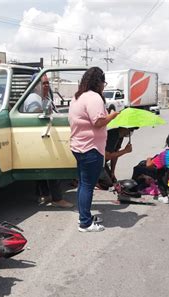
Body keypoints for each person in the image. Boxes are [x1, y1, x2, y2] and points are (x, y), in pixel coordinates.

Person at [69, 67, 118, 232]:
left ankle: (84, 216)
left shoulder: (78, 97)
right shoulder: (93, 98)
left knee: (83, 184)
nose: (104, 86)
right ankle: (85, 223)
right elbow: (98, 121)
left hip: (80, 146)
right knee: (88, 185)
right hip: (90, 148)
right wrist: (112, 115)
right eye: (103, 82)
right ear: (98, 82)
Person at [24, 74, 73, 208]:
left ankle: (45, 195)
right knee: (53, 167)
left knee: (43, 168)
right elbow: (37, 115)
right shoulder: (33, 98)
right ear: (35, 85)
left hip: (43, 136)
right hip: (41, 135)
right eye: (44, 83)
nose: (47, 86)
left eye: (47, 83)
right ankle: (57, 198)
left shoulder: (44, 97)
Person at [132, 131, 169, 204]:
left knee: (160, 170)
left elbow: (149, 165)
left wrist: (148, 158)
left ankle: (164, 196)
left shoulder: (166, 154)